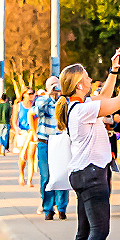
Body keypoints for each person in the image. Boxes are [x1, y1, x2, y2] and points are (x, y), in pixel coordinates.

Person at [58, 53, 120, 240]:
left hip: (81, 173)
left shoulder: (77, 106)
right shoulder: (83, 110)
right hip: (92, 175)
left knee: (85, 230)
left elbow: (102, 97)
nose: (92, 80)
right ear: (79, 84)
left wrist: (114, 71)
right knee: (99, 230)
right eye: (88, 77)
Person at [33, 77, 68, 220]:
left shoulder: (64, 102)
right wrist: (49, 94)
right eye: (53, 85)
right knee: (46, 177)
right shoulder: (42, 100)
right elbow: (37, 110)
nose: (56, 88)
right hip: (45, 142)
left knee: (60, 176)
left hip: (60, 142)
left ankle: (61, 208)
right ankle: (48, 209)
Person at [16, 90, 37, 185]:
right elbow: (14, 120)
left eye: (33, 94)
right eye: (29, 94)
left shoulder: (35, 105)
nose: (31, 96)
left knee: (31, 155)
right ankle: (21, 173)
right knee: (22, 156)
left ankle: (29, 180)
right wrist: (17, 129)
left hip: (31, 132)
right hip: (22, 132)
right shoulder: (18, 106)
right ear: (24, 94)